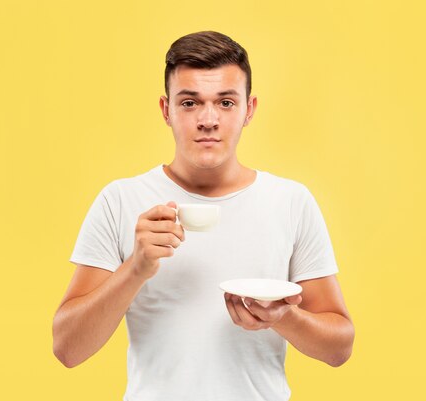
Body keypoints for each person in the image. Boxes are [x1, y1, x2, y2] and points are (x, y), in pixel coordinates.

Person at [52, 30, 354, 401]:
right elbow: (68, 348)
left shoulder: (291, 202)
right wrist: (135, 269)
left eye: (226, 103)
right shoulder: (120, 200)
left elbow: (339, 346)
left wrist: (283, 318)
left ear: (249, 110)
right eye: (190, 103)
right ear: (167, 110)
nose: (208, 120)